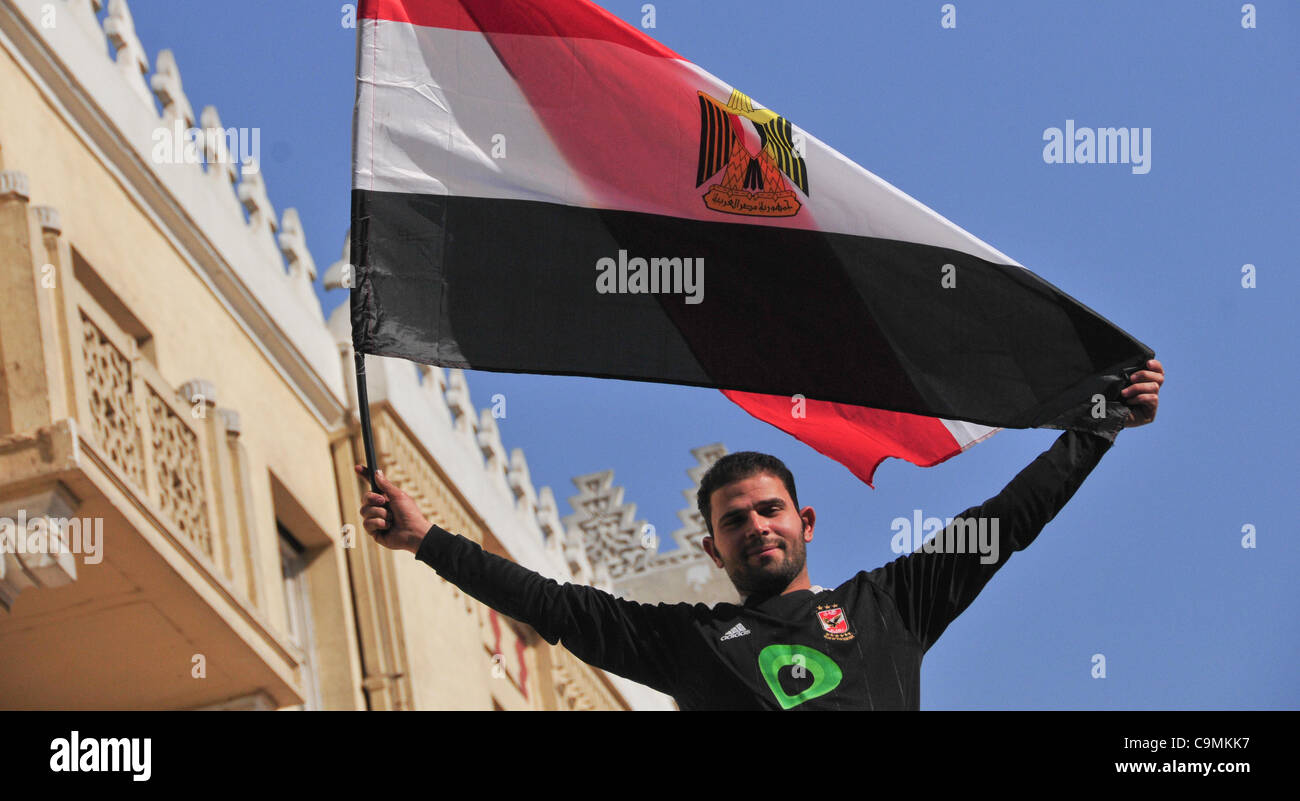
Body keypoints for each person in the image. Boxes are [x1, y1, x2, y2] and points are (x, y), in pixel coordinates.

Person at [359, 360, 1164, 710]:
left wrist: (1102, 423)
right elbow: (554, 605)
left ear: (804, 520)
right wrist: (427, 538)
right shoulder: (687, 641)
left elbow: (1005, 522)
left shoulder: (890, 606)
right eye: (734, 520)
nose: (756, 527)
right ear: (712, 549)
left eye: (769, 510)